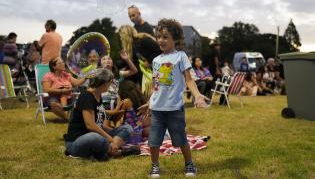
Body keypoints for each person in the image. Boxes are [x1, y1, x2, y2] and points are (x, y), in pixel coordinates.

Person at [138, 18, 208, 178]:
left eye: (165, 36)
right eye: (158, 36)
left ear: (174, 39)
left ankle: (189, 164)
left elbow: (189, 80)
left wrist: (197, 96)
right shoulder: (156, 60)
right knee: (154, 141)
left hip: (175, 109)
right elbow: (156, 86)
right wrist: (149, 103)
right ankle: (155, 166)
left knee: (180, 139)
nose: (160, 40)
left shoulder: (181, 56)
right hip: (157, 110)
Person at [64, 69, 138, 161]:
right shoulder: (86, 96)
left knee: (127, 128)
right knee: (96, 137)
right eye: (110, 83)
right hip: (76, 142)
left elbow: (100, 122)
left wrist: (113, 130)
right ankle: (116, 151)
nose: (110, 86)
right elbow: (90, 125)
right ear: (103, 83)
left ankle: (110, 150)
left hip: (94, 136)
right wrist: (111, 139)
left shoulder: (98, 96)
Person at [42, 57, 86, 121]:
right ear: (54, 67)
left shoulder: (66, 75)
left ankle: (67, 118)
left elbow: (76, 83)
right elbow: (46, 90)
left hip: (68, 97)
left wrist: (86, 77)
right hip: (53, 98)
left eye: (63, 62)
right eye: (60, 63)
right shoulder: (48, 76)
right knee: (54, 105)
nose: (63, 64)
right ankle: (67, 119)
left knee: (82, 101)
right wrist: (62, 91)